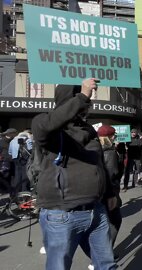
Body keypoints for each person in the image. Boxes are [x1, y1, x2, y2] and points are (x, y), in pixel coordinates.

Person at [31, 78, 116, 269]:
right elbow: (48, 126)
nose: (89, 103)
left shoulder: (88, 129)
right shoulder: (45, 123)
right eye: (83, 97)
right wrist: (82, 96)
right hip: (62, 215)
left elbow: (99, 162)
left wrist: (110, 193)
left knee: (107, 265)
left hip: (96, 211)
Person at [97, 125, 123, 257]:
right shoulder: (110, 152)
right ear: (111, 137)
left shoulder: (94, 148)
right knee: (115, 221)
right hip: (109, 192)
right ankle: (104, 255)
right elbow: (112, 174)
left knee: (102, 224)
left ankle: (99, 255)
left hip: (97, 192)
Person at [8, 130, 32, 197]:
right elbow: (31, 149)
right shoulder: (28, 140)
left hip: (16, 159)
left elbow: (9, 152)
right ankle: (25, 192)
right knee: (25, 175)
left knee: (17, 175)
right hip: (25, 159)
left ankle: (16, 191)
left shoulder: (12, 141)